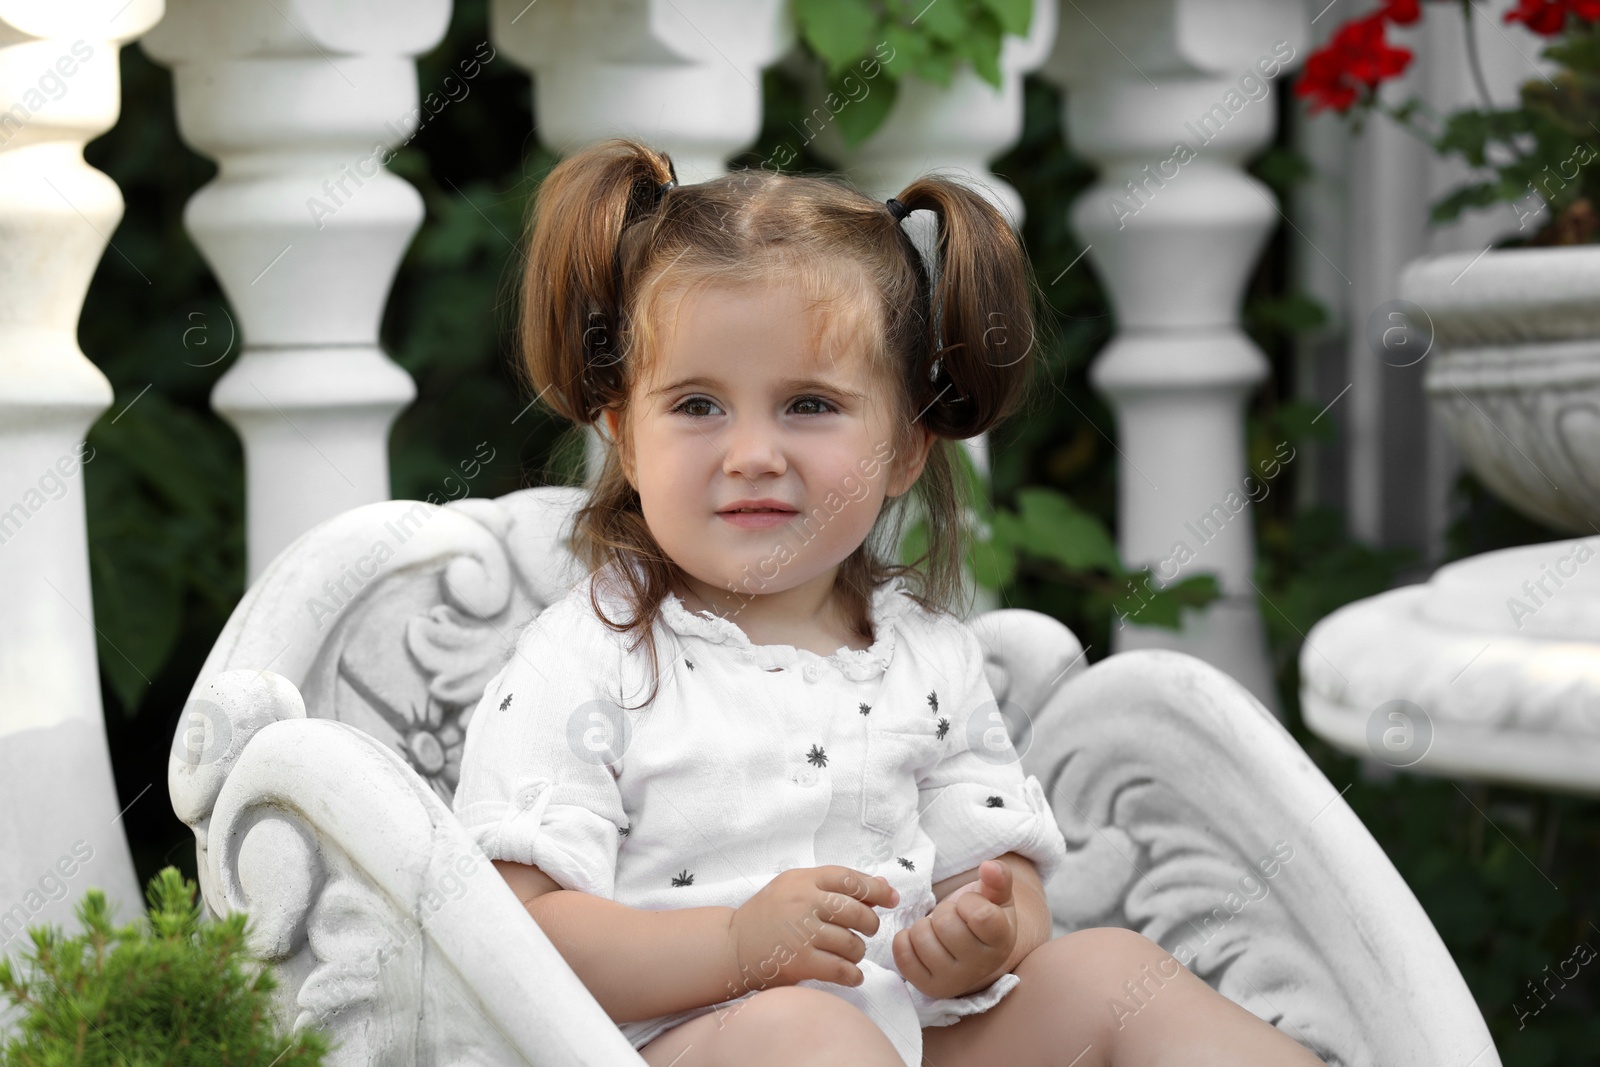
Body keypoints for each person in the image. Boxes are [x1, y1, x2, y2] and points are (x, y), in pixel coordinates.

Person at [451, 138, 1326, 1067]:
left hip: (902, 1037)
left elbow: (1000, 869)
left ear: (907, 447)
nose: (751, 452)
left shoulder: (927, 659)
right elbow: (515, 933)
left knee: (1112, 972)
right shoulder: (589, 657)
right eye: (698, 405)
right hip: (681, 1043)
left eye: (810, 405)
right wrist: (735, 947)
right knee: (806, 1029)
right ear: (625, 437)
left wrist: (989, 929)